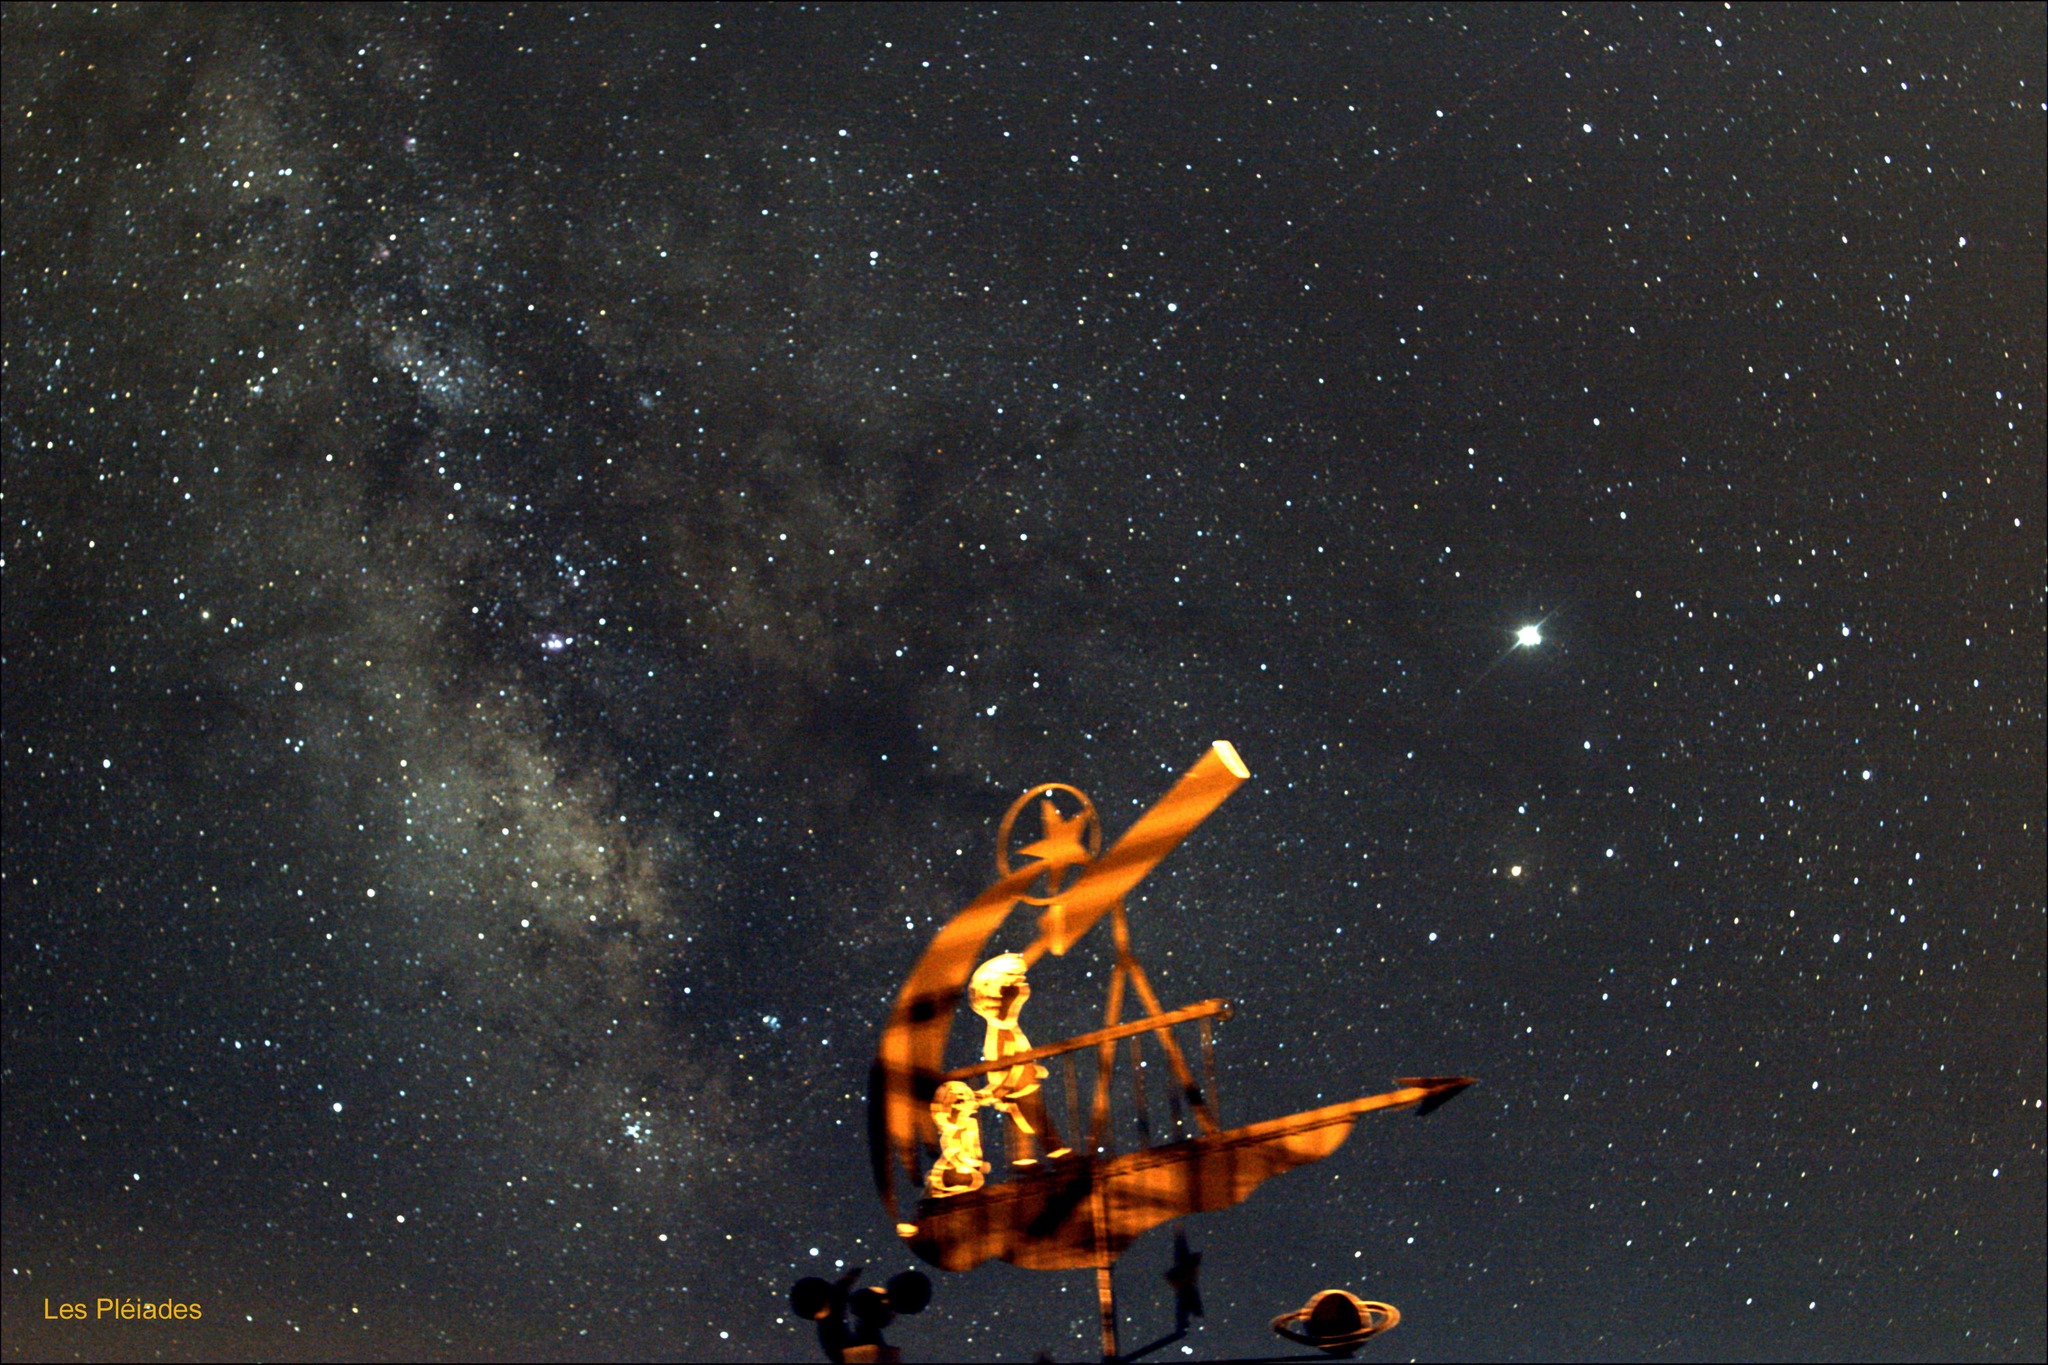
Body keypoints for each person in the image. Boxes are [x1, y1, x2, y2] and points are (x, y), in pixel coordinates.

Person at [967, 953, 1068, 1165]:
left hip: (1024, 1087)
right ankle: (1053, 1159)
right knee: (1035, 1124)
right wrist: (1000, 1088)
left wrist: (1029, 1070)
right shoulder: (1001, 1031)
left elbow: (1017, 1056)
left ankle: (1033, 1162)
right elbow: (1010, 1062)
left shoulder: (1006, 1029)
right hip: (1019, 1089)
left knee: (1030, 1124)